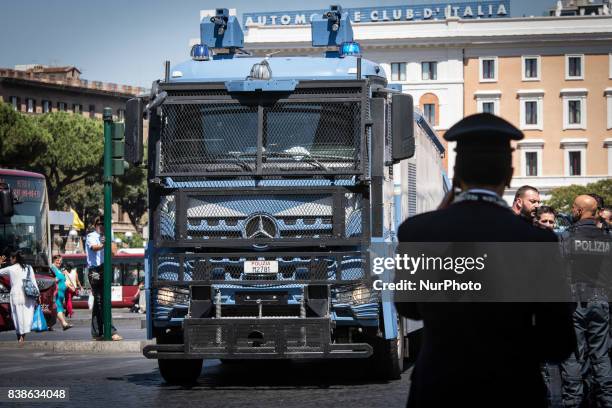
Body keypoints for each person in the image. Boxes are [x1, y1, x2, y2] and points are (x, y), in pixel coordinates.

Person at [395, 113, 576, 408]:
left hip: (438, 388)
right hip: (512, 389)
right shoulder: (537, 241)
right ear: (509, 174)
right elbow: (558, 343)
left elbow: (409, 309)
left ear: (456, 174)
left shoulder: (419, 231)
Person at [559, 195, 612, 408]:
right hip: (601, 301)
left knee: (573, 356)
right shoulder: (607, 237)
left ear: (579, 211)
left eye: (573, 207)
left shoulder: (566, 237)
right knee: (601, 355)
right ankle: (607, 400)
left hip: (574, 303)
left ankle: (573, 402)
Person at [86, 217, 121, 341]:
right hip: (94, 270)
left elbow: (114, 252)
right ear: (95, 225)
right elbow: (94, 248)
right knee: (102, 300)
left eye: (104, 224)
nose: (102, 226)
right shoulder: (91, 236)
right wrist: (103, 244)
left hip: (105, 269)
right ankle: (110, 330)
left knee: (98, 301)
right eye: (100, 224)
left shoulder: (108, 234)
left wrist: (110, 239)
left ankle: (96, 331)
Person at [0, 250, 40, 343]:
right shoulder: (29, 268)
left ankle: (20, 335)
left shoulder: (10, 269)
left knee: (17, 315)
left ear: (15, 258)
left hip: (16, 294)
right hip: (27, 294)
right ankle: (23, 335)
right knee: (26, 314)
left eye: (11, 257)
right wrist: (38, 295)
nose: (10, 259)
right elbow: (34, 282)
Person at [50, 255, 72, 330]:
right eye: (57, 260)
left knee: (58, 308)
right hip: (56, 292)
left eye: (60, 261)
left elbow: (62, 280)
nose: (59, 262)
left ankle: (50, 325)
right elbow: (52, 279)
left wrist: (67, 285)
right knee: (58, 308)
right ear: (53, 260)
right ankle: (64, 324)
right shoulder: (52, 268)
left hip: (61, 293)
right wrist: (56, 280)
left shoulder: (58, 269)